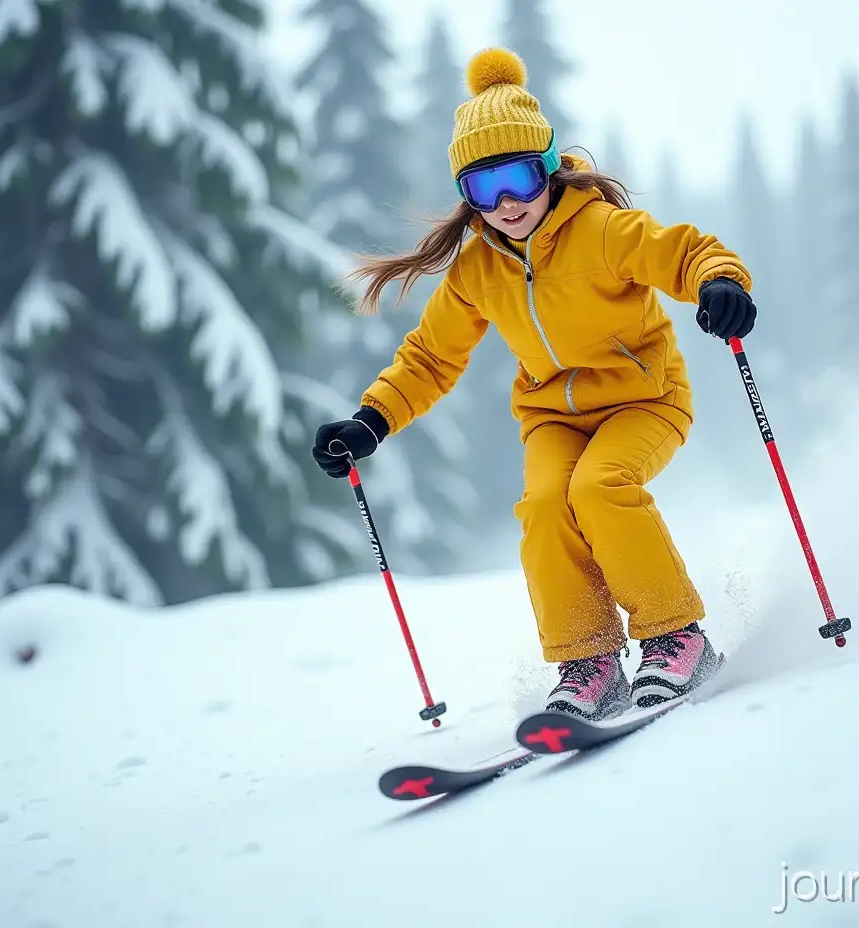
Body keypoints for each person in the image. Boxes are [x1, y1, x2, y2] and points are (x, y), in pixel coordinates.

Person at [311, 47, 756, 721]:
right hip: (554, 415)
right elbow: (431, 357)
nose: (509, 203)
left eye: (519, 177)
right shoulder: (476, 271)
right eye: (486, 190)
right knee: (547, 507)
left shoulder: (603, 231)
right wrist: (371, 420)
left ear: (548, 168)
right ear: (469, 198)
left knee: (599, 488)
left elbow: (687, 252)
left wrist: (719, 283)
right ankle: (589, 660)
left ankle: (675, 635)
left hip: (646, 400)